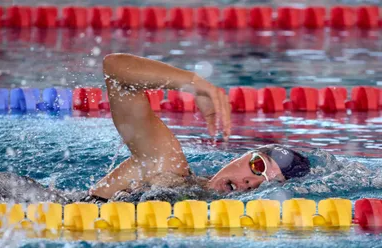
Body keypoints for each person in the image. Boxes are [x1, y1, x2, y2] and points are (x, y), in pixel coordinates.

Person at [87, 53, 311, 201]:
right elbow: (114, 68)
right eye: (257, 165)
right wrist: (192, 83)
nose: (250, 183)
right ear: (241, 157)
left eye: (267, 185)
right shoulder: (166, 168)